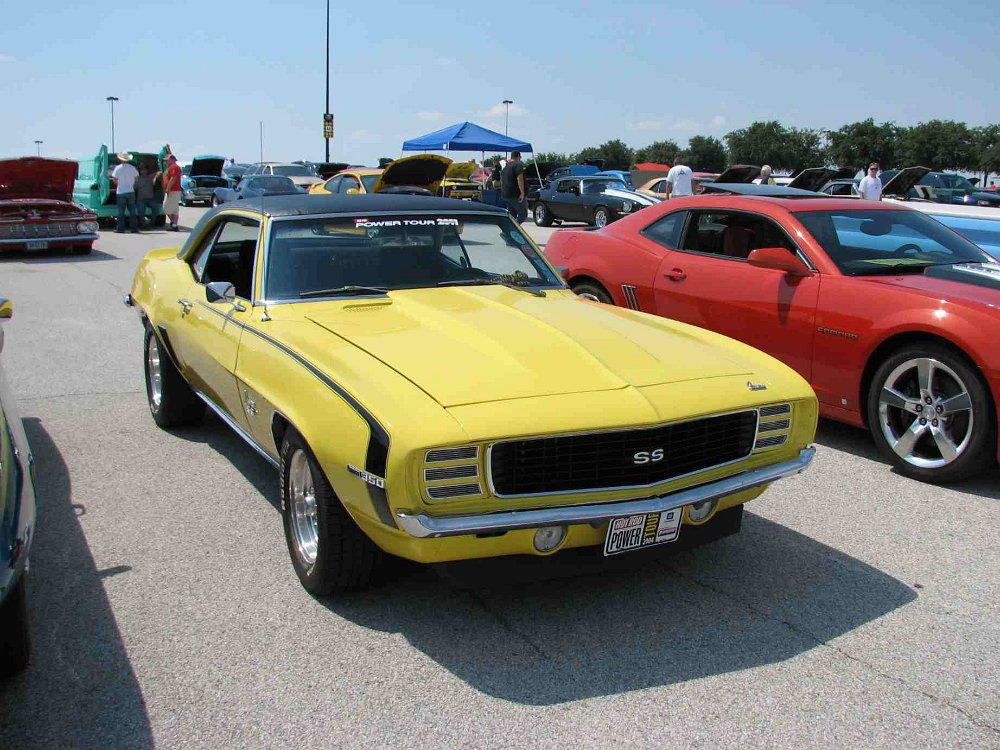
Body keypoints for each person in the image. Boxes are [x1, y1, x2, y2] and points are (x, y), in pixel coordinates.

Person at [112, 152, 140, 233]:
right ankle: (134, 228)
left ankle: (120, 228)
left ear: (121, 159)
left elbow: (114, 180)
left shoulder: (117, 168)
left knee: (121, 212)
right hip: (131, 191)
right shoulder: (133, 168)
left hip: (121, 191)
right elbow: (136, 178)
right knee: (132, 211)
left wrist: (119, 184)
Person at [500, 151, 527, 222]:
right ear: (518, 157)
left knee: (512, 215)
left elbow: (502, 179)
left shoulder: (506, 167)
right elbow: (520, 178)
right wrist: (522, 193)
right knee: (523, 214)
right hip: (515, 194)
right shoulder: (518, 165)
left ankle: (508, 228)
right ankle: (513, 228)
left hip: (506, 194)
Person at [162, 152, 183, 230]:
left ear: (172, 159)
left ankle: (174, 224)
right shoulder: (171, 167)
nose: (166, 161)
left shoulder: (174, 167)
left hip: (173, 190)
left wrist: (168, 188)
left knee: (166, 208)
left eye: (167, 160)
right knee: (174, 209)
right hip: (173, 191)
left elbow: (173, 178)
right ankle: (174, 225)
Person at [135, 165, 155, 230]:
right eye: (142, 170)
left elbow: (159, 172)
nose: (143, 171)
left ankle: (152, 223)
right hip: (141, 199)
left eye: (145, 169)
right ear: (140, 171)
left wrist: (155, 178)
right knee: (141, 211)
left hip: (150, 199)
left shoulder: (151, 177)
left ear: (147, 170)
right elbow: (135, 187)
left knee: (155, 208)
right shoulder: (137, 178)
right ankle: (143, 225)